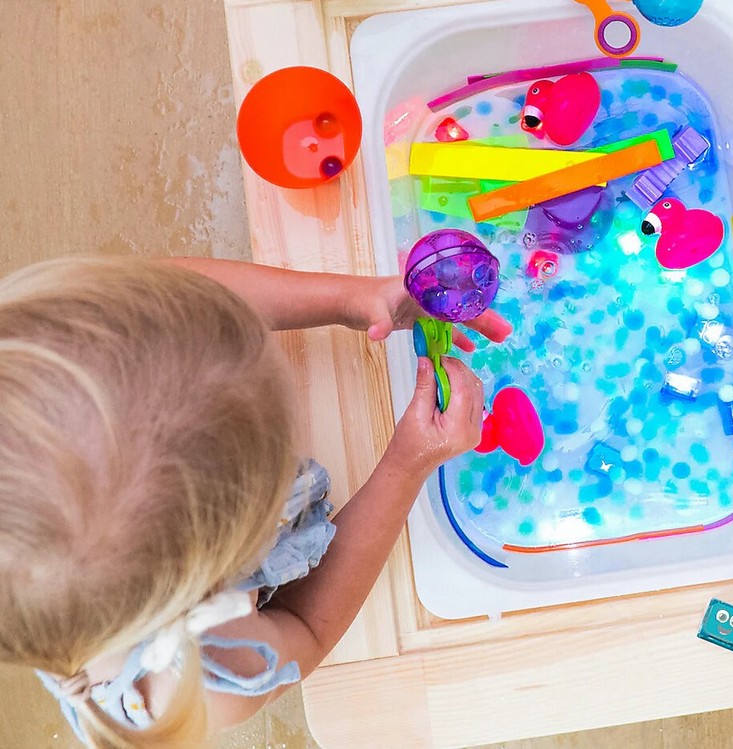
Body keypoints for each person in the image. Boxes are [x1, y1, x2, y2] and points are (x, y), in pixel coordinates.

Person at [0, 256, 510, 748]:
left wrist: (348, 297)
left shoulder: (68, 345)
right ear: (240, 548)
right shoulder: (216, 672)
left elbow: (181, 290)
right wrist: (407, 465)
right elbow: (306, 629)